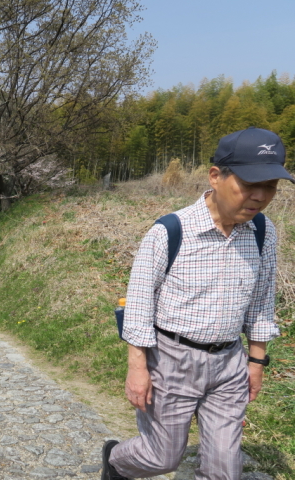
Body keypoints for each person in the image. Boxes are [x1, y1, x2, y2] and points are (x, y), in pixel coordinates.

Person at [102, 127, 292, 480]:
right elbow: (139, 306)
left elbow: (262, 304)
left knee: (225, 471)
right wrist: (137, 368)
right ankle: (116, 460)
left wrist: (256, 362)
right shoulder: (169, 232)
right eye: (249, 184)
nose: (260, 196)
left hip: (229, 363)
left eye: (270, 186)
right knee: (161, 458)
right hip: (171, 361)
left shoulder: (263, 233)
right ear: (215, 176)